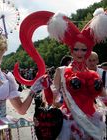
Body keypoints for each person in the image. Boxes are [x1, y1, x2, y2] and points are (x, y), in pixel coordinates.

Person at [46, 8, 107, 140]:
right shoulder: (61, 71)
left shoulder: (93, 74)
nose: (80, 53)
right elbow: (53, 100)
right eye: (76, 49)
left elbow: (104, 95)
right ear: (71, 50)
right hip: (69, 123)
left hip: (92, 122)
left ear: (88, 50)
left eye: (83, 49)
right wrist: (48, 90)